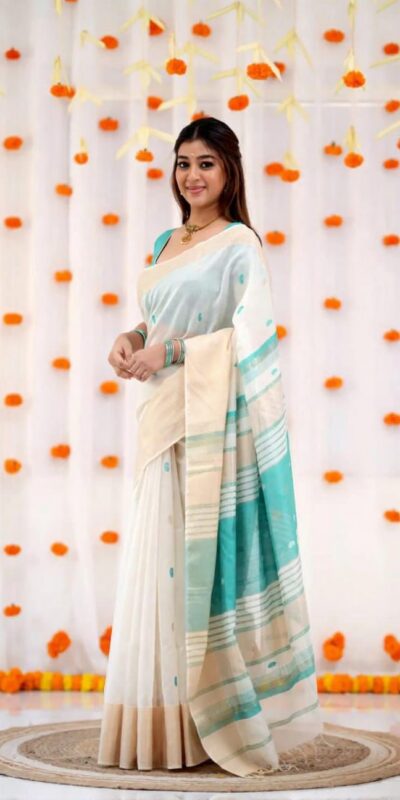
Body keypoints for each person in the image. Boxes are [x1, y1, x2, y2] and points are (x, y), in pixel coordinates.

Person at [97, 117, 324, 777]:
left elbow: (250, 338)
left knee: (196, 567)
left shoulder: (239, 243)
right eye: (183, 162)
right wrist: (132, 338)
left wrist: (169, 351)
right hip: (161, 415)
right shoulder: (167, 240)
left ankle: (207, 726)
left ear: (229, 171)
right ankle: (160, 726)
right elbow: (159, 319)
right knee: (159, 565)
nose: (192, 175)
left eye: (206, 163)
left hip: (207, 425)